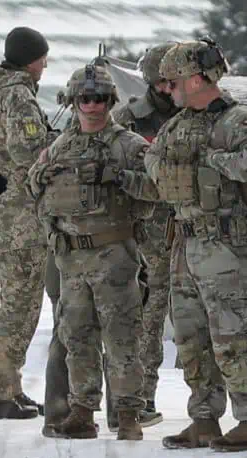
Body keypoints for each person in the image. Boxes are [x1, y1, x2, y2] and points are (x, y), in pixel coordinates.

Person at [132, 39, 247, 452]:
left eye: (174, 80)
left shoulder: (237, 121)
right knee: (191, 336)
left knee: (234, 334)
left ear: (197, 79)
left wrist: (212, 163)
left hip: (223, 243)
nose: (168, 88)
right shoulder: (178, 124)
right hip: (184, 241)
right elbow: (154, 162)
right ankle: (204, 417)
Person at [28, 65, 157, 440]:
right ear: (73, 101)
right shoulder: (59, 147)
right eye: (85, 98)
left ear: (110, 101)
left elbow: (157, 189)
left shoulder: (127, 145)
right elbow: (33, 187)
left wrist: (118, 176)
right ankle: (81, 411)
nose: (93, 105)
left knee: (122, 338)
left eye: (100, 98)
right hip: (71, 258)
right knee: (76, 338)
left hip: (114, 254)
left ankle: (129, 414)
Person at [0, 26, 55, 420]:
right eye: (41, 58)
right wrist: (56, 144)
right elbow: (29, 151)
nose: (44, 65)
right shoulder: (18, 94)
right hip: (21, 218)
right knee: (20, 309)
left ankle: (11, 386)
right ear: (29, 59)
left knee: (13, 303)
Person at [104, 41, 181, 430]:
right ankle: (133, 401)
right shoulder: (128, 119)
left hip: (185, 232)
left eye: (176, 81)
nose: (171, 89)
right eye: (165, 82)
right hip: (141, 236)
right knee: (141, 321)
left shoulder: (195, 113)